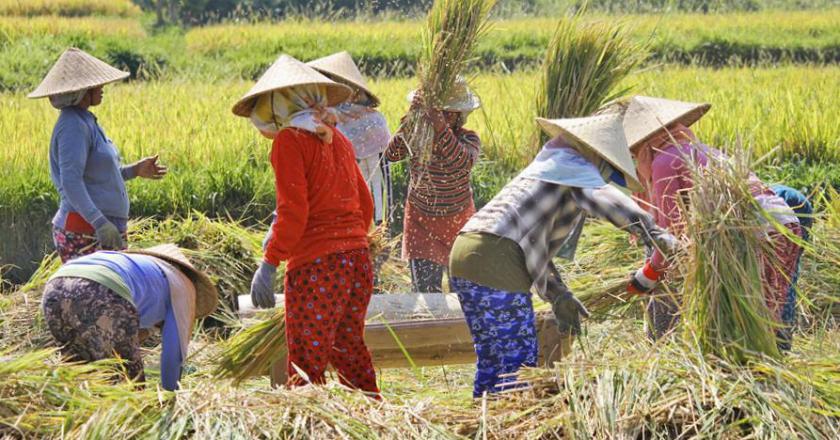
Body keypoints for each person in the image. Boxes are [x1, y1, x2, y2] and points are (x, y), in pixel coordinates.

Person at [449, 114, 677, 398]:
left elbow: (531, 247)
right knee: (516, 363)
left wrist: (558, 295)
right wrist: (654, 232)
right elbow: (604, 198)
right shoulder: (573, 166)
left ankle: (481, 424)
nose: (605, 177)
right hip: (495, 259)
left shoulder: (549, 166)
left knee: (493, 360)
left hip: (465, 253)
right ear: (597, 155)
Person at [234, 55, 379, 395]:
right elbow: (366, 204)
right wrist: (352, 240)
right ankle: (374, 413)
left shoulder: (291, 141)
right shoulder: (337, 137)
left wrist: (270, 263)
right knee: (348, 348)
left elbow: (293, 212)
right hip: (357, 262)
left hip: (318, 267)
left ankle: (307, 426)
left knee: (305, 360)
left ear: (279, 103)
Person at [621, 96, 802, 347]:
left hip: (757, 232)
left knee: (748, 320)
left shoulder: (663, 162)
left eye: (634, 153)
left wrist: (646, 276)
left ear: (643, 145)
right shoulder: (699, 150)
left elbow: (669, 237)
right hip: (784, 222)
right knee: (766, 314)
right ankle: (771, 368)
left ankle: (753, 372)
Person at [28, 48, 168, 263]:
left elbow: (98, 177)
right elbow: (71, 182)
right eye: (96, 85)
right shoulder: (72, 126)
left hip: (102, 229)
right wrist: (99, 222)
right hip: (85, 232)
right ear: (80, 91)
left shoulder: (86, 121)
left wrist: (135, 170)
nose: (102, 88)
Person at [41, 244, 218, 391]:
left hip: (54, 289)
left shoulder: (147, 272)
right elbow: (174, 352)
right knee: (131, 386)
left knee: (80, 376)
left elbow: (134, 330)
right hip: (101, 290)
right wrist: (170, 398)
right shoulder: (184, 287)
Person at [386, 77, 481, 293]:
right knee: (426, 293)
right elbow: (392, 154)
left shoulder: (469, 139)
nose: (442, 118)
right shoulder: (418, 135)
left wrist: (439, 126)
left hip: (459, 223)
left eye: (448, 114)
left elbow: (462, 163)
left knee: (464, 293)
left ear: (460, 117)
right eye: (438, 112)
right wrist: (412, 119)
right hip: (422, 223)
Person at [308, 51, 392, 226]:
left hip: (366, 194)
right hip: (343, 199)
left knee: (376, 211)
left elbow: (382, 174)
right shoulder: (326, 116)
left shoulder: (371, 119)